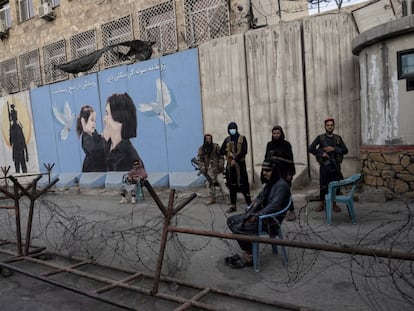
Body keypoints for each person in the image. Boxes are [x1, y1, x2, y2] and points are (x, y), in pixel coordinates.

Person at [225, 158, 291, 269]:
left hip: (270, 221)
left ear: (274, 171)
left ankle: (249, 256)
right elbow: (259, 199)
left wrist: (256, 215)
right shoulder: (270, 184)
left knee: (239, 227)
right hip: (260, 217)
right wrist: (250, 211)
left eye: (268, 170)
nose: (264, 173)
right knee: (231, 221)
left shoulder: (281, 186)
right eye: (263, 170)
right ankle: (249, 250)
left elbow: (274, 206)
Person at [309, 118, 348, 212]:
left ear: (334, 126)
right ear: (325, 126)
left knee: (335, 185)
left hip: (335, 166)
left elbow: (345, 150)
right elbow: (311, 148)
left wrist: (334, 149)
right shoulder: (320, 138)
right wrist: (322, 154)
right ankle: (322, 203)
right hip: (325, 166)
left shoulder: (338, 138)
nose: (330, 127)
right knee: (323, 184)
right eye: (328, 125)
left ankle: (334, 204)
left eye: (331, 125)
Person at [103, 93, 143, 171]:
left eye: (107, 114)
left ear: (119, 120)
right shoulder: (107, 147)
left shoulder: (131, 159)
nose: (105, 119)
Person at [264, 125, 296, 221]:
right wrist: (265, 172)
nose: (276, 135)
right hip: (273, 173)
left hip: (284, 172)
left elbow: (290, 159)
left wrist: (290, 173)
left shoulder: (286, 144)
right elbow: (266, 159)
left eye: (278, 133)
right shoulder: (269, 145)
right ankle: (273, 211)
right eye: (274, 133)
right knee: (272, 192)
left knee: (286, 192)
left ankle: (291, 211)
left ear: (281, 134)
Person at [220, 122, 252, 213]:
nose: (232, 130)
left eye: (234, 128)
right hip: (230, 167)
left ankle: (249, 205)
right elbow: (221, 150)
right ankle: (233, 205)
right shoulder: (227, 139)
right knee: (231, 185)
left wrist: (236, 159)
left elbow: (244, 151)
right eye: (231, 128)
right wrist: (228, 151)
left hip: (240, 166)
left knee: (244, 185)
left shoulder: (242, 138)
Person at [197, 134, 229, 205]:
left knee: (221, 182)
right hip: (208, 171)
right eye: (207, 139)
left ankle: (227, 198)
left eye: (209, 139)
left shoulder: (216, 147)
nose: (208, 140)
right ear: (204, 140)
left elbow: (221, 156)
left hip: (217, 169)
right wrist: (202, 167)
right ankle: (212, 198)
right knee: (209, 184)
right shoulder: (201, 149)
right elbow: (199, 159)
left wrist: (220, 165)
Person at [76, 105, 106, 172]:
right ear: (83, 121)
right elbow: (94, 150)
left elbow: (99, 139)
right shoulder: (86, 138)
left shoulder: (94, 134)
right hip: (92, 170)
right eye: (92, 120)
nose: (94, 124)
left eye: (95, 121)